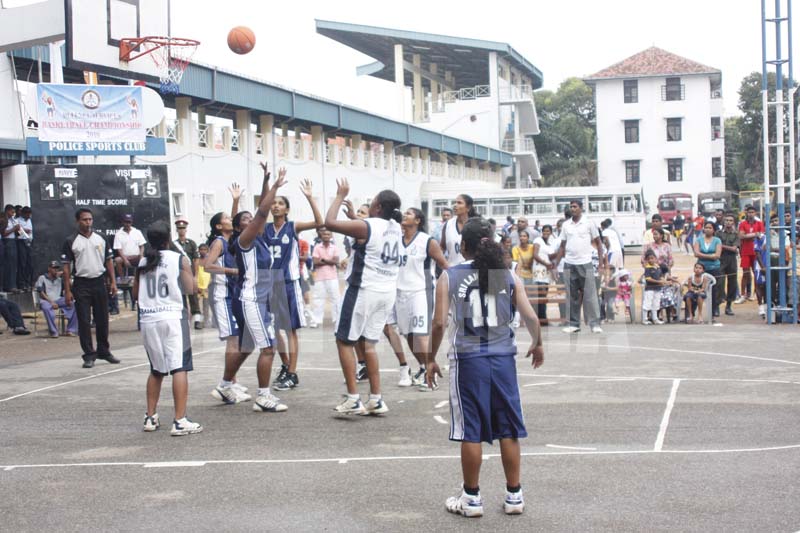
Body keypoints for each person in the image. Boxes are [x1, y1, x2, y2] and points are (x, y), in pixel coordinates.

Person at [426, 217, 544, 518]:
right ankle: (514, 495)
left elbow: (439, 322)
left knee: (471, 431)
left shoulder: (450, 276)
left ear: (462, 245)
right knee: (508, 428)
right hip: (503, 359)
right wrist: (537, 341)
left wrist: (429, 357)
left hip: (469, 361)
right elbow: (530, 316)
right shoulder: (506, 275)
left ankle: (472, 498)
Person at [324, 179, 402, 415]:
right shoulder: (394, 227)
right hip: (386, 292)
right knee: (368, 345)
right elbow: (368, 232)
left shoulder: (367, 226)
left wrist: (339, 196)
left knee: (344, 341)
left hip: (363, 289)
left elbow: (329, 223)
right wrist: (355, 218)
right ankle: (376, 399)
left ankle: (353, 398)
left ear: (376, 207)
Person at [133, 222, 202, 436]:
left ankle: (150, 416)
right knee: (179, 367)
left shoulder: (143, 262)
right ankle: (180, 420)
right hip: (172, 316)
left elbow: (135, 293)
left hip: (148, 318)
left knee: (156, 369)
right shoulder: (177, 258)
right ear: (168, 238)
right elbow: (190, 288)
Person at [232, 163, 288, 413]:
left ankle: (225, 384)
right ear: (239, 227)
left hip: (262, 301)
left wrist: (266, 181)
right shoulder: (243, 241)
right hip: (251, 300)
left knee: (251, 347)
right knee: (268, 348)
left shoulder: (261, 239)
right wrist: (275, 186)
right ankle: (263, 396)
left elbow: (261, 212)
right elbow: (262, 213)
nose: (250, 220)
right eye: (245, 219)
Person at [266, 178, 322, 391]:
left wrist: (309, 197)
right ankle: (286, 364)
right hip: (270, 285)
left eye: (280, 203)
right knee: (273, 329)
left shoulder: (292, 226)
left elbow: (319, 222)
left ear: (287, 209)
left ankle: (292, 373)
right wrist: (271, 187)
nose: (276, 205)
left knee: (290, 330)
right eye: (274, 203)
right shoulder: (265, 228)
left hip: (289, 283)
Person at [204, 184, 253, 405]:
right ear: (218, 225)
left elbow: (236, 222)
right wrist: (232, 270)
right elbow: (207, 266)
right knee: (233, 340)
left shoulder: (229, 240)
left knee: (237, 339)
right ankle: (227, 385)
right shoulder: (218, 242)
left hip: (230, 294)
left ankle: (231, 382)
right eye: (224, 217)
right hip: (221, 294)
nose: (228, 219)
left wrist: (235, 201)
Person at [394, 207, 448, 387]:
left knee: (420, 334)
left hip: (421, 291)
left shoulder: (427, 241)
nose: (404, 215)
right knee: (409, 335)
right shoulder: (396, 240)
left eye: (409, 213)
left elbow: (444, 265)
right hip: (400, 292)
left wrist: (448, 288)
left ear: (418, 220)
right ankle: (425, 367)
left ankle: (429, 375)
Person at [62, 208, 119, 368]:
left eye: (90, 219)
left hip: (99, 281)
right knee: (84, 321)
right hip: (81, 283)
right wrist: (67, 291)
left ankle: (104, 351)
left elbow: (109, 261)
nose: (88, 222)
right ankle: (89, 354)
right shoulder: (71, 240)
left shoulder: (101, 238)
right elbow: (66, 268)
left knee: (102, 319)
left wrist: (113, 282)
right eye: (84, 219)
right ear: (77, 221)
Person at [554, 200, 605, 334]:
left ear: (581, 208)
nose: (572, 209)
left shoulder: (589, 223)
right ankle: (574, 324)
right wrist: (555, 265)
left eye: (575, 206)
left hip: (585, 263)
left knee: (590, 295)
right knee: (572, 296)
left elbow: (599, 244)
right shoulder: (566, 225)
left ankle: (594, 323)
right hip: (569, 264)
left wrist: (601, 264)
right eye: (571, 207)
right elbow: (562, 246)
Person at [173, 218, 203, 329]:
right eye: (179, 228)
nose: (181, 230)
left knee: (193, 297)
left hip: (190, 274)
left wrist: (195, 276)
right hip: (179, 274)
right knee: (180, 298)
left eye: (183, 228)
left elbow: (196, 260)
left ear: (186, 229)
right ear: (177, 230)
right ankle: (184, 320)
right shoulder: (173, 245)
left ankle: (197, 320)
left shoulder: (191, 243)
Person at [36, 260, 77, 338]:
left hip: (58, 299)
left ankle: (71, 330)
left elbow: (71, 287)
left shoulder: (59, 279)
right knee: (46, 307)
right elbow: (41, 292)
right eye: (54, 268)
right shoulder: (42, 278)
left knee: (74, 304)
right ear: (49, 269)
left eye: (57, 268)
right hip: (46, 300)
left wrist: (66, 277)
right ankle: (53, 331)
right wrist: (51, 302)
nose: (56, 270)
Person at [311, 227, 341, 328]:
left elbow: (336, 261)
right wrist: (329, 261)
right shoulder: (317, 247)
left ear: (331, 236)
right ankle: (316, 320)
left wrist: (323, 260)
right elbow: (315, 262)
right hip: (320, 277)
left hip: (332, 277)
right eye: (324, 234)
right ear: (321, 236)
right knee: (318, 299)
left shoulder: (335, 248)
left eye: (328, 234)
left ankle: (337, 319)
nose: (326, 236)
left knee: (335, 299)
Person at [694, 221, 723, 318]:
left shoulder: (717, 240)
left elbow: (717, 255)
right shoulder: (699, 240)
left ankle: (714, 310)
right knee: (698, 289)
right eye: (706, 227)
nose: (707, 229)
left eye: (710, 228)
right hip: (701, 269)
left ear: (714, 230)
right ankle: (696, 312)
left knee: (714, 290)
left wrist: (703, 256)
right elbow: (696, 253)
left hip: (714, 268)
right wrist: (710, 256)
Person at [441, 194, 477, 266]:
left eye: (459, 203)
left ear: (468, 208)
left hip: (472, 270)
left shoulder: (476, 224)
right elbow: (442, 247)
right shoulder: (448, 224)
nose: (455, 205)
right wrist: (442, 263)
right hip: (453, 270)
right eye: (455, 202)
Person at [737, 205, 763, 303]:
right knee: (745, 273)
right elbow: (741, 236)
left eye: (752, 212)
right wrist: (754, 235)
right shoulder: (743, 224)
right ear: (746, 213)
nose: (751, 214)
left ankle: (755, 293)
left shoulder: (759, 223)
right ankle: (743, 294)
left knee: (756, 273)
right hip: (745, 251)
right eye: (749, 212)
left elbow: (761, 236)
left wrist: (747, 235)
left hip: (756, 252)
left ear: (755, 213)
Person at [531, 225, 556, 321]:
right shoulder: (538, 240)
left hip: (547, 272)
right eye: (544, 231)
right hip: (539, 270)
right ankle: (541, 318)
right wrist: (546, 264)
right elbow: (535, 255)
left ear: (550, 232)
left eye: (548, 231)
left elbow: (551, 257)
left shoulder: (550, 243)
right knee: (540, 294)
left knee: (544, 294)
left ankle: (542, 317)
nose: (546, 233)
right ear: (542, 231)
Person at [717, 213, 740, 316]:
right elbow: (716, 246)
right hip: (721, 259)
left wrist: (722, 246)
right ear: (723, 222)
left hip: (732, 260)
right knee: (719, 283)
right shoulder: (718, 233)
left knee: (732, 283)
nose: (728, 222)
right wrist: (726, 247)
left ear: (733, 222)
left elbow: (735, 249)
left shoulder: (736, 234)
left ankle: (728, 306)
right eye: (726, 220)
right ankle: (716, 306)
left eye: (730, 220)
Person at [112, 214, 146, 278]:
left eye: (129, 222)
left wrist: (141, 255)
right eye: (126, 222)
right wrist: (125, 260)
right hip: (125, 257)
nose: (127, 224)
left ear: (131, 222)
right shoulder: (118, 234)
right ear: (122, 222)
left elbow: (142, 246)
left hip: (137, 256)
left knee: (144, 260)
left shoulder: (137, 232)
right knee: (117, 260)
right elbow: (119, 249)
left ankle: (139, 279)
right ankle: (122, 279)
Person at [641, 250, 665, 324]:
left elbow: (660, 276)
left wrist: (663, 281)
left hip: (657, 288)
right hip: (650, 288)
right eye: (649, 259)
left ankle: (655, 318)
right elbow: (649, 279)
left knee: (656, 303)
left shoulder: (657, 267)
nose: (651, 260)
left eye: (652, 258)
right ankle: (644, 319)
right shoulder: (647, 268)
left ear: (655, 258)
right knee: (647, 303)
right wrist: (659, 282)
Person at [2, 204, 19, 293]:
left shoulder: (12, 220)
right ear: (7, 211)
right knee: (9, 265)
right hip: (7, 242)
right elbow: (4, 233)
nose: (13, 214)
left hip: (13, 241)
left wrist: (18, 230)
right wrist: (14, 229)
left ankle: (12, 285)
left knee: (13, 264)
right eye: (12, 212)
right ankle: (9, 285)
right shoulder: (4, 220)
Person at [16, 206, 33, 290]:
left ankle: (27, 282)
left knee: (28, 263)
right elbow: (18, 232)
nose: (29, 216)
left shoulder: (29, 220)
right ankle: (21, 283)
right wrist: (24, 230)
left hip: (29, 242)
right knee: (22, 262)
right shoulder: (18, 221)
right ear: (23, 214)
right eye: (27, 214)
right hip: (21, 242)